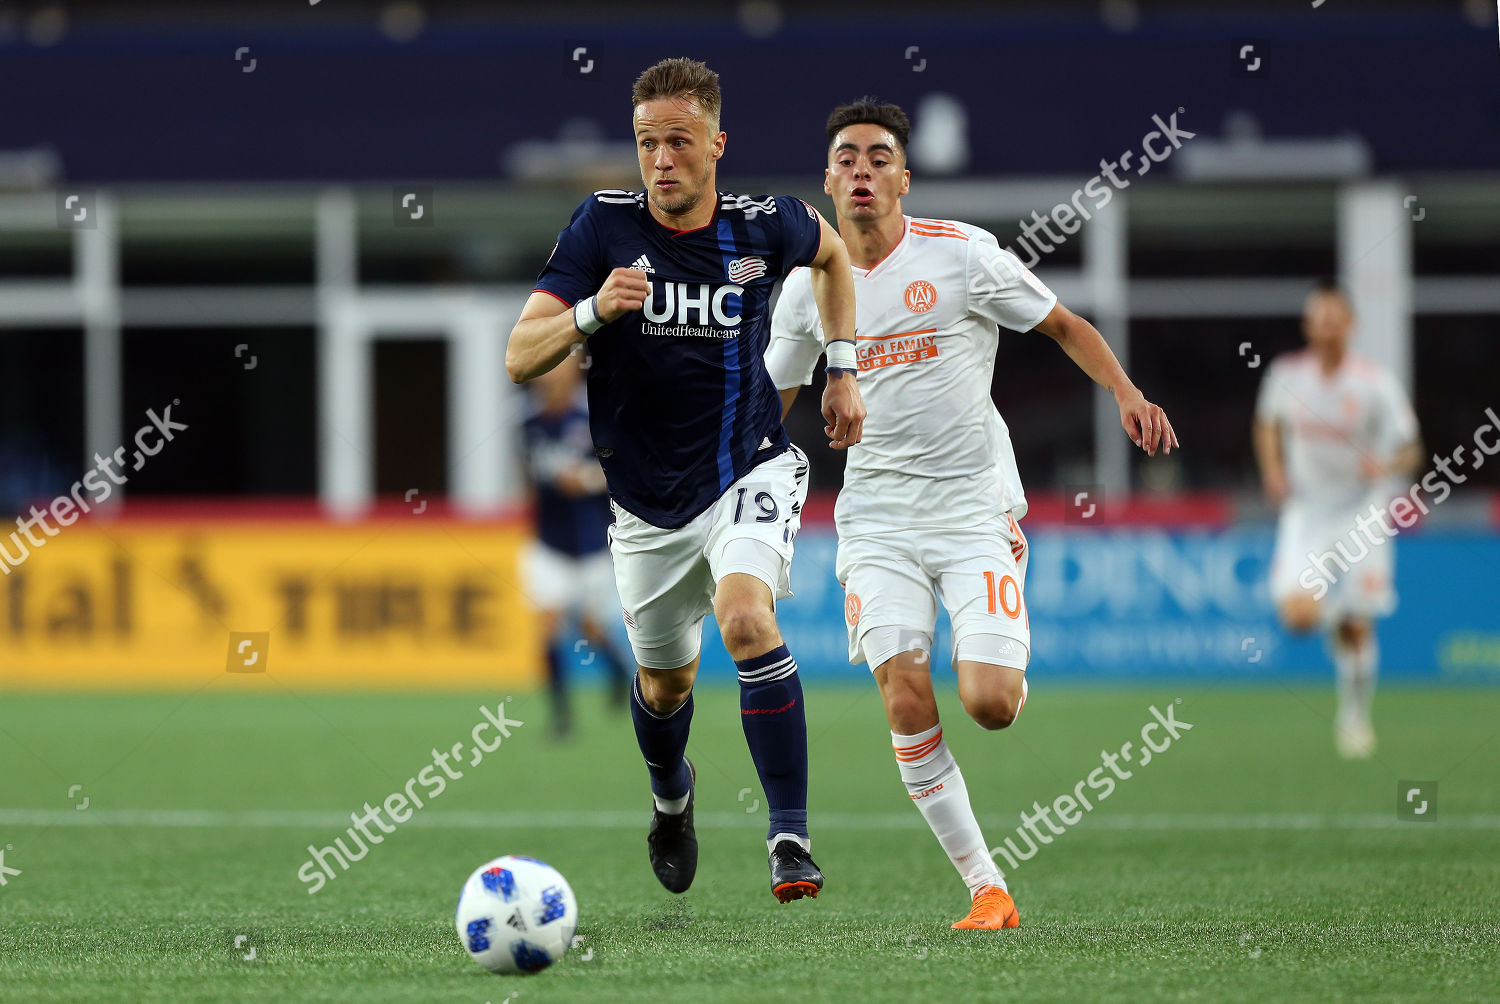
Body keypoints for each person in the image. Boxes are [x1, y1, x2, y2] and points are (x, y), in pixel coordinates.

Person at [765, 98, 1176, 929]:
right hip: (875, 517)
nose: (862, 171)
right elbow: (770, 400)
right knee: (905, 693)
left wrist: (1128, 394)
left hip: (970, 509)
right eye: (846, 158)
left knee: (987, 703)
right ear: (827, 180)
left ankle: (1003, 656)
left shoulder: (961, 257)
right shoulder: (806, 288)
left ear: (904, 177)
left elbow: (1061, 323)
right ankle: (989, 888)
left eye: (879, 157)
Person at [505, 58, 866, 903]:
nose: (660, 159)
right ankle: (673, 799)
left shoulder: (765, 224)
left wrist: (842, 369)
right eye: (645, 143)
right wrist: (593, 310)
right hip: (645, 507)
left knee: (746, 620)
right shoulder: (601, 227)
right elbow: (519, 357)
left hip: (750, 467)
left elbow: (835, 256)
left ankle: (789, 837)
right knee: (663, 683)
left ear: (715, 146)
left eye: (678, 142)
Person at [1253, 280, 1420, 758]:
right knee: (1299, 617)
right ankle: (1334, 613)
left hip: (1361, 517)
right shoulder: (1286, 376)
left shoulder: (1375, 383)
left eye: (1333, 317)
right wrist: (1273, 470)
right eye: (1317, 317)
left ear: (1349, 325)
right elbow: (1267, 423)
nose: (1324, 325)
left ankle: (1354, 716)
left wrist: (1385, 466)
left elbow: (1412, 448)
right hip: (1306, 512)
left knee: (1359, 628)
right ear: (1308, 325)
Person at [519, 354, 630, 738]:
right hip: (549, 542)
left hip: (592, 541)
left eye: (559, 372)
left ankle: (618, 674)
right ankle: (561, 715)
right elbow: (529, 475)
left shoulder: (591, 420)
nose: (550, 380)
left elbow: (621, 470)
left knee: (590, 628)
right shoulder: (529, 425)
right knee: (548, 627)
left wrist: (583, 480)